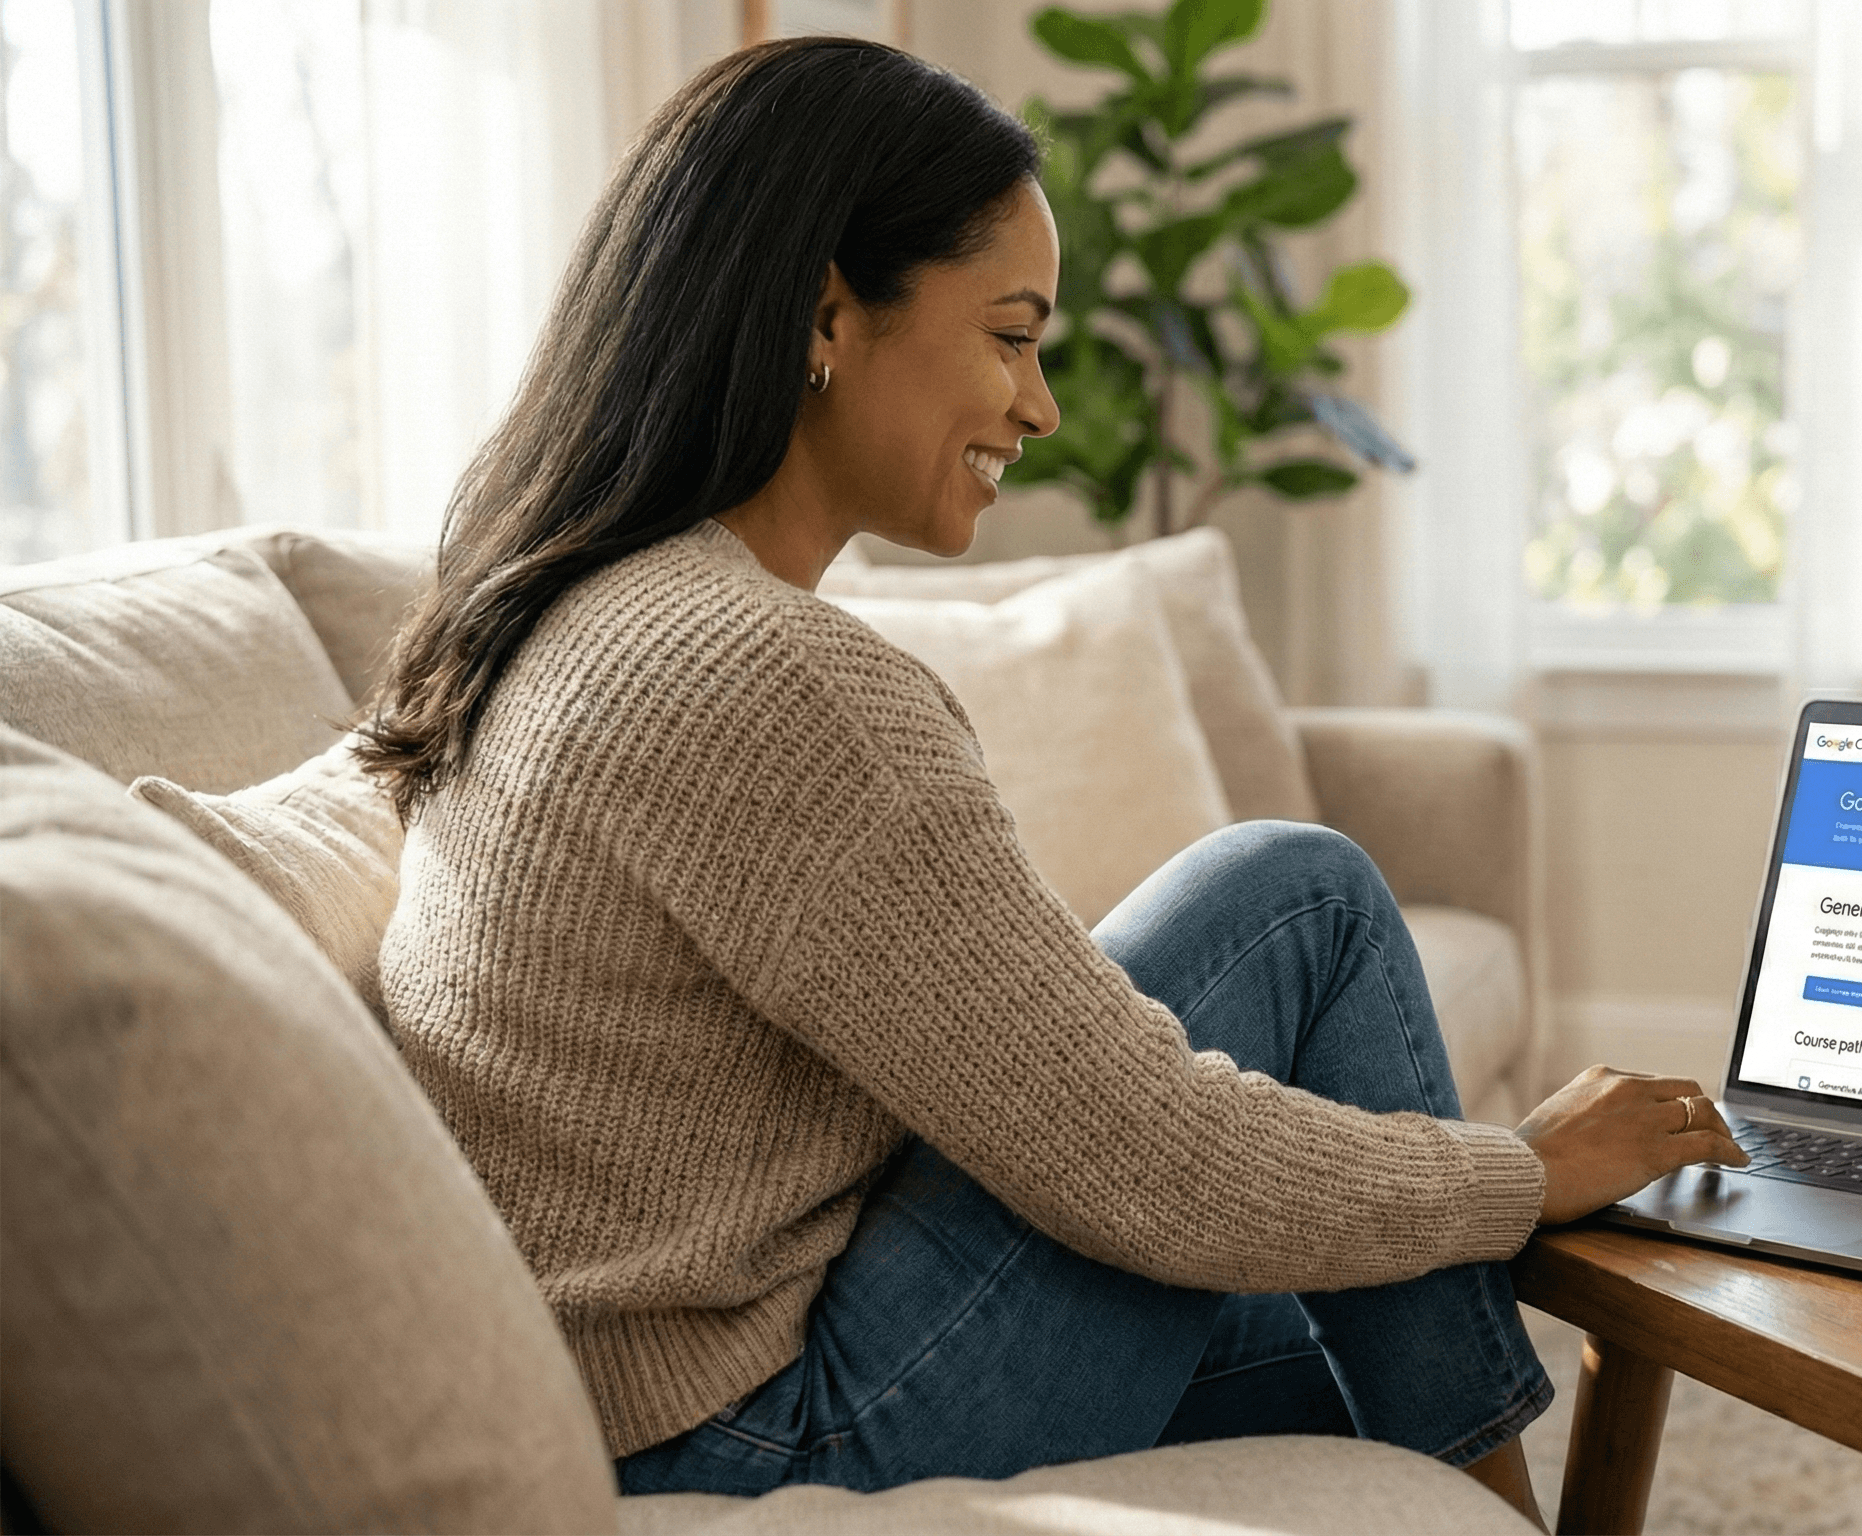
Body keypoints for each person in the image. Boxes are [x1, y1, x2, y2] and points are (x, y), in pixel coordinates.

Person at [355, 37, 1744, 1527]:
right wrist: (1520, 1174)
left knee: (1308, 1359)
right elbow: (1157, 1158)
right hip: (751, 1433)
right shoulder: (769, 681)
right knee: (1302, 902)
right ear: (828, 313)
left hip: (642, 1391)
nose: (1042, 407)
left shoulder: (571, 604)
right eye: (1011, 337)